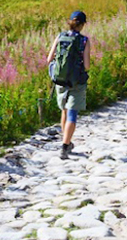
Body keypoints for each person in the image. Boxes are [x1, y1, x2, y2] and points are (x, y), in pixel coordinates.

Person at [46, 11, 91, 159]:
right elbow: (87, 65)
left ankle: (66, 140)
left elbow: (49, 58)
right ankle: (65, 146)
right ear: (82, 24)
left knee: (64, 110)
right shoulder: (84, 41)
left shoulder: (60, 36)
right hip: (77, 81)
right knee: (72, 113)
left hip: (60, 80)